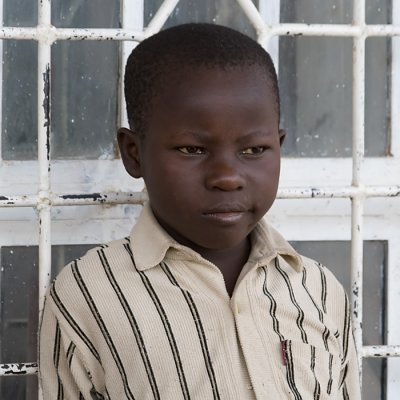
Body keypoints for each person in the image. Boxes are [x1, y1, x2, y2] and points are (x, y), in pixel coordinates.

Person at [39, 23, 361, 399]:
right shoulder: (89, 293)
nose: (227, 178)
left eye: (254, 150)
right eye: (192, 150)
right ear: (134, 153)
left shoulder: (318, 289)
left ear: (279, 146)